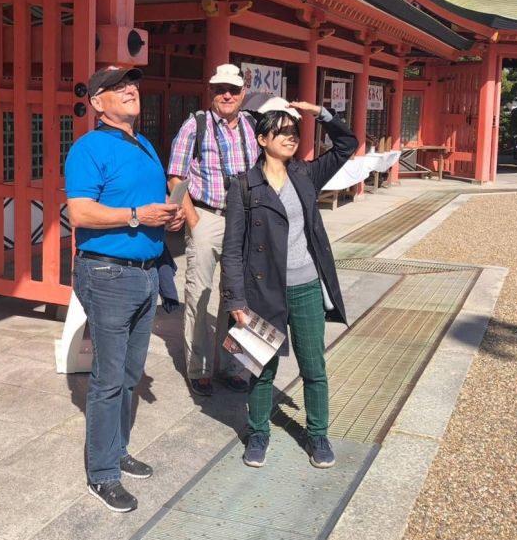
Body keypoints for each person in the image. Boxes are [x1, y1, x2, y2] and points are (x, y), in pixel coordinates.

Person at [65, 65, 184, 513]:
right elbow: (80, 213)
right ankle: (102, 474)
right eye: (117, 87)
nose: (130, 90)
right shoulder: (88, 147)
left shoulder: (146, 143)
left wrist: (167, 217)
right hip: (108, 274)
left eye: (132, 84)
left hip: (146, 272)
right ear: (98, 103)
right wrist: (137, 216)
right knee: (109, 379)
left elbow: (149, 205)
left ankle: (117, 450)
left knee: (131, 373)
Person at [220, 97, 358, 469]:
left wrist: (320, 114)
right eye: (281, 131)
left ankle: (317, 434)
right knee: (261, 368)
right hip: (262, 290)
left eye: (294, 131)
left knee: (313, 367)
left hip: (308, 286)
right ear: (262, 139)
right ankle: (258, 432)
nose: (290, 137)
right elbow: (232, 249)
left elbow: (347, 146)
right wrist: (235, 300)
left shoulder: (305, 176)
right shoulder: (244, 186)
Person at [167, 63, 260, 396]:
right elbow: (176, 177)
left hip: (246, 219)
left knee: (240, 296)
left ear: (243, 94)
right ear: (211, 91)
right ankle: (200, 367)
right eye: (221, 88)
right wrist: (191, 220)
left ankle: (234, 366)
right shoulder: (196, 125)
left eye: (233, 90)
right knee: (200, 294)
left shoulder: (253, 125)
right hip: (208, 215)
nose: (227, 95)